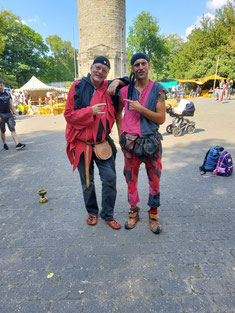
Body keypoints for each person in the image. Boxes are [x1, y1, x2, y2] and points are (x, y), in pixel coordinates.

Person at [64, 56, 127, 230]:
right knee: (87, 182)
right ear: (91, 68)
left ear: (108, 74)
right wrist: (89, 111)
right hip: (82, 145)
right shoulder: (77, 86)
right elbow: (68, 115)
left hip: (102, 143)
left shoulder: (111, 88)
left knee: (110, 179)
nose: (100, 72)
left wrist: (120, 80)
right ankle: (92, 212)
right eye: (97, 68)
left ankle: (107, 214)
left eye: (104, 70)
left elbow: (132, 80)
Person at [118, 53, 167, 234]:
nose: (140, 67)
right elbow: (117, 112)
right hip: (130, 144)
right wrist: (119, 132)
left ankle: (153, 214)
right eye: (136, 64)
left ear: (148, 65)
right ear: (131, 68)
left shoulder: (159, 90)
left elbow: (161, 118)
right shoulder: (124, 90)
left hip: (151, 143)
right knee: (130, 180)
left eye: (143, 63)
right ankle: (133, 211)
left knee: (154, 180)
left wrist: (140, 108)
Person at [0, 79, 26, 150]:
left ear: (3, 85)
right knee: (2, 130)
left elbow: (10, 104)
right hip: (1, 114)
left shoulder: (8, 93)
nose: (0, 87)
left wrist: (14, 113)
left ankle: (17, 144)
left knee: (12, 129)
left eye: (1, 85)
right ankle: (5, 144)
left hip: (8, 114)